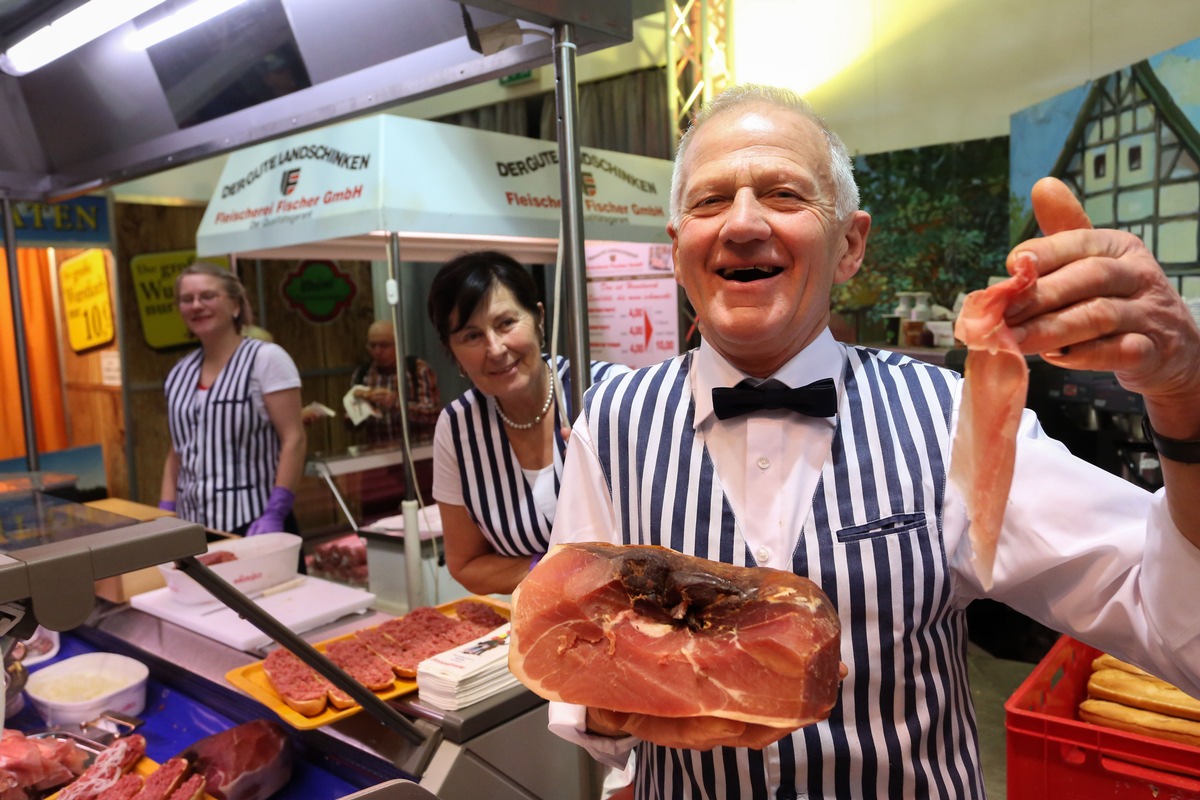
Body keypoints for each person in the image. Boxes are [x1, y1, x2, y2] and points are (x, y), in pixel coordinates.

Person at [545, 84, 1200, 799]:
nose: (741, 223)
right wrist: (614, 703)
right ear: (678, 252)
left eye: (784, 194)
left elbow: (1171, 624)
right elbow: (572, 649)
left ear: (850, 244)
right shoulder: (612, 421)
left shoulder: (949, 417)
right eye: (708, 201)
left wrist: (1184, 397)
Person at [427, 250, 630, 597]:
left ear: (538, 318)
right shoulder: (457, 428)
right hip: (538, 622)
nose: (495, 349)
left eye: (506, 323)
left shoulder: (609, 393)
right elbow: (466, 564)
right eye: (471, 336)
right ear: (452, 352)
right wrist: (548, 570)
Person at [159, 262, 307, 536]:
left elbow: (293, 439)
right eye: (186, 299)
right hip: (193, 526)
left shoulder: (266, 359)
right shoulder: (179, 372)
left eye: (207, 296)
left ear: (235, 305)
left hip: (255, 523)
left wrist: (277, 511)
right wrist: (166, 510)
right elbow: (177, 450)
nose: (196, 305)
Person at [350, 320, 441, 443]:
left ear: (398, 344)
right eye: (372, 345)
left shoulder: (417, 369)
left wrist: (395, 404)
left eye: (384, 345)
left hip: (417, 452)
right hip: (378, 455)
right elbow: (354, 427)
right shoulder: (362, 373)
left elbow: (433, 415)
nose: (377, 351)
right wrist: (354, 414)